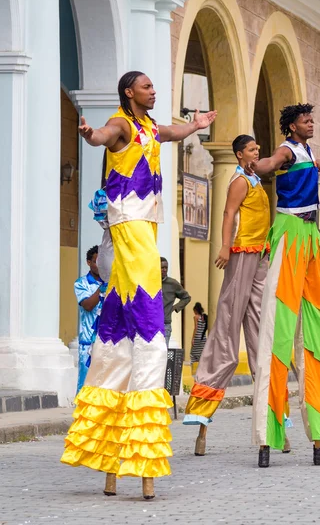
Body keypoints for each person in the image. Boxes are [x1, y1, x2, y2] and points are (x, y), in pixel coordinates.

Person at [61, 71, 216, 500]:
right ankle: (138, 459)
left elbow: (173, 130)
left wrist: (197, 126)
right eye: (146, 86)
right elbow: (105, 135)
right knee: (148, 313)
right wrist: (92, 136)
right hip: (127, 222)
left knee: (121, 320)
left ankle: (113, 465)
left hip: (145, 225)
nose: (152, 90)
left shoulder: (149, 126)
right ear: (129, 92)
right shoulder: (123, 125)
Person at [250, 104, 320, 468]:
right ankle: (269, 433)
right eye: (306, 121)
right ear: (291, 127)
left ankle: (317, 427)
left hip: (311, 236)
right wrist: (258, 164)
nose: (312, 124)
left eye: (312, 119)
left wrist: (315, 168)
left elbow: (300, 171)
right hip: (289, 235)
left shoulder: (308, 150)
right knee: (278, 330)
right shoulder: (287, 149)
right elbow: (272, 164)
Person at [183, 134, 270, 457]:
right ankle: (202, 423)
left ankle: (274, 423)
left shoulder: (255, 178)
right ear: (238, 154)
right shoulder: (238, 180)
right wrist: (224, 246)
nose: (256, 151)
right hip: (242, 252)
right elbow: (228, 214)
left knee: (262, 334)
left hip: (260, 253)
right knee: (227, 329)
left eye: (257, 148)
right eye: (251, 149)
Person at [74, 246, 106, 394]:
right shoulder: (81, 283)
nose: (99, 265)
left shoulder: (110, 283)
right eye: (96, 261)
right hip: (88, 343)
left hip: (107, 340)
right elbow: (87, 305)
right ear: (88, 262)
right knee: (86, 383)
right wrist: (101, 289)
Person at [161, 257, 191, 346]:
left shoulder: (172, 283)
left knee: (163, 354)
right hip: (150, 324)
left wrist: (175, 307)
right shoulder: (150, 282)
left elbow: (186, 297)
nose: (164, 270)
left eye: (166, 267)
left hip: (165, 324)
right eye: (162, 267)